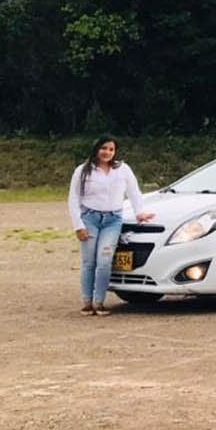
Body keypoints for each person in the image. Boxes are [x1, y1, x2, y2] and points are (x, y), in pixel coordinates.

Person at [67, 135, 155, 315]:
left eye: (111, 149)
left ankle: (99, 302)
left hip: (113, 220)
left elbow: (133, 191)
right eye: (103, 148)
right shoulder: (83, 170)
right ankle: (87, 302)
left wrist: (140, 212)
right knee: (88, 262)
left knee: (104, 261)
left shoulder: (123, 169)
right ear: (96, 149)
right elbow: (73, 198)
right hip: (89, 218)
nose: (107, 152)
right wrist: (78, 225)